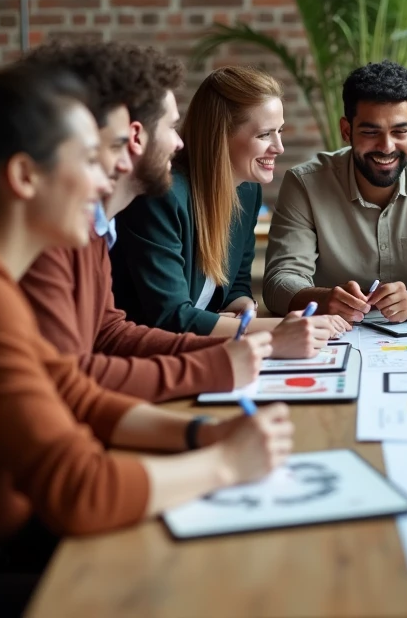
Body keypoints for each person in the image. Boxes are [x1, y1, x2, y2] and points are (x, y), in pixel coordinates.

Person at [0, 57, 292, 616]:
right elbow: (80, 490)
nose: (108, 176)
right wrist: (225, 465)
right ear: (25, 177)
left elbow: (72, 391)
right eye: (89, 159)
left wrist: (203, 436)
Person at [18, 43, 344, 402]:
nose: (178, 142)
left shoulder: (95, 232)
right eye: (265, 134)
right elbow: (81, 375)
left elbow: (108, 334)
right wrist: (260, 337)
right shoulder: (86, 231)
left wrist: (243, 317)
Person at [111, 66, 343, 341]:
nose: (279, 147)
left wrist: (242, 305)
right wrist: (279, 328)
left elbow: (236, 285)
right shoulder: (161, 196)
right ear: (220, 136)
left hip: (202, 350)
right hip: (146, 356)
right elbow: (170, 317)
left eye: (279, 131)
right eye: (264, 135)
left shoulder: (247, 192)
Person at [263, 60, 407, 323]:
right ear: (347, 130)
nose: (386, 146)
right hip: (334, 333)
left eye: (400, 131)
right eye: (370, 132)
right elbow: (279, 281)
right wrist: (325, 300)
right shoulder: (305, 184)